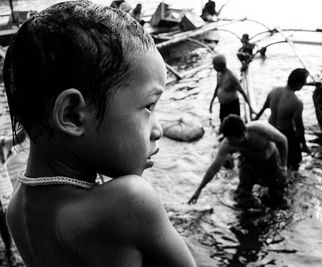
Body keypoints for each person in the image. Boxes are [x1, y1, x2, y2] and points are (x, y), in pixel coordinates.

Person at [3, 2, 196, 266]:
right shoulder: (131, 201)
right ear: (72, 115)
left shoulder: (17, 209)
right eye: (148, 106)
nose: (158, 130)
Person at [188, 115, 288, 207]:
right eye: (229, 140)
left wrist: (283, 166)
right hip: (248, 163)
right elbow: (213, 169)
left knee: (277, 195)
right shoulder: (227, 144)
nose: (231, 144)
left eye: (233, 140)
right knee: (242, 197)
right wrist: (199, 190)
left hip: (269, 162)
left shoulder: (260, 130)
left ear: (243, 134)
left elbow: (283, 140)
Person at [255, 68, 310, 170]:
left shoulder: (274, 90)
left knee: (272, 161)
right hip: (284, 135)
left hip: (269, 130)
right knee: (293, 163)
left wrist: (254, 122)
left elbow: (263, 108)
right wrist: (304, 145)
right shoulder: (296, 102)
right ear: (300, 84)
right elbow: (299, 128)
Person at [209, 54, 255, 130]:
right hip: (223, 106)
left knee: (235, 128)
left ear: (220, 66)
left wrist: (250, 108)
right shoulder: (219, 74)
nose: (213, 67)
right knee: (223, 126)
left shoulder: (231, 76)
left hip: (232, 106)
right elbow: (217, 87)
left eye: (214, 65)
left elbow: (242, 92)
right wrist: (211, 103)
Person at [0, 132, 25, 267]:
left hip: (3, 197)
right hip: (3, 198)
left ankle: (10, 252)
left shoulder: (0, 144)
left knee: (5, 223)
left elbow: (19, 138)